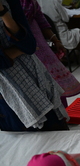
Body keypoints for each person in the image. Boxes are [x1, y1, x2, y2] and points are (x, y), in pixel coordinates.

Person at [0, 0, 69, 131]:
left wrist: (3, 12)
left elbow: (30, 45)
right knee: (28, 146)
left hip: (38, 83)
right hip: (9, 97)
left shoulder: (11, 2)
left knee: (59, 141)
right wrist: (21, 49)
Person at [20, 0, 80, 108]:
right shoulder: (9, 6)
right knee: (37, 87)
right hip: (25, 51)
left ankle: (64, 115)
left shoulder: (31, 3)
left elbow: (42, 21)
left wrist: (56, 41)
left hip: (42, 48)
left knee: (55, 83)